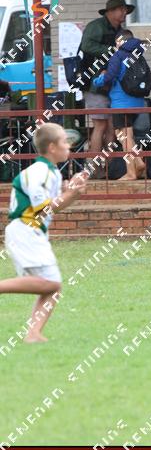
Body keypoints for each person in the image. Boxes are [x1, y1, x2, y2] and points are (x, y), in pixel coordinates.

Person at [0, 123, 87, 343]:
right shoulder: (39, 172)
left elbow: (53, 207)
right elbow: (43, 209)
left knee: (52, 286)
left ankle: (33, 334)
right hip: (25, 230)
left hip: (32, 231)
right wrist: (70, 194)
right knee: (52, 283)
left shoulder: (52, 172)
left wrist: (71, 193)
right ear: (52, 147)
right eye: (64, 141)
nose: (68, 145)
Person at [79, 0, 134, 164]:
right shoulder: (96, 26)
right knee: (100, 125)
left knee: (111, 126)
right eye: (122, 9)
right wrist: (113, 51)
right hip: (94, 85)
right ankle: (94, 169)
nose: (125, 13)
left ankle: (109, 169)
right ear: (110, 11)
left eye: (125, 10)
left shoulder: (119, 30)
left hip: (111, 86)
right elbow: (86, 46)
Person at [93, 30, 147, 181]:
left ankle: (131, 172)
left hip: (121, 103)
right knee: (125, 135)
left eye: (116, 42)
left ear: (120, 41)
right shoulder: (138, 55)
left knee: (124, 136)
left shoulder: (118, 56)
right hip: (137, 102)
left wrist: (97, 81)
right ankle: (138, 162)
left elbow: (109, 77)